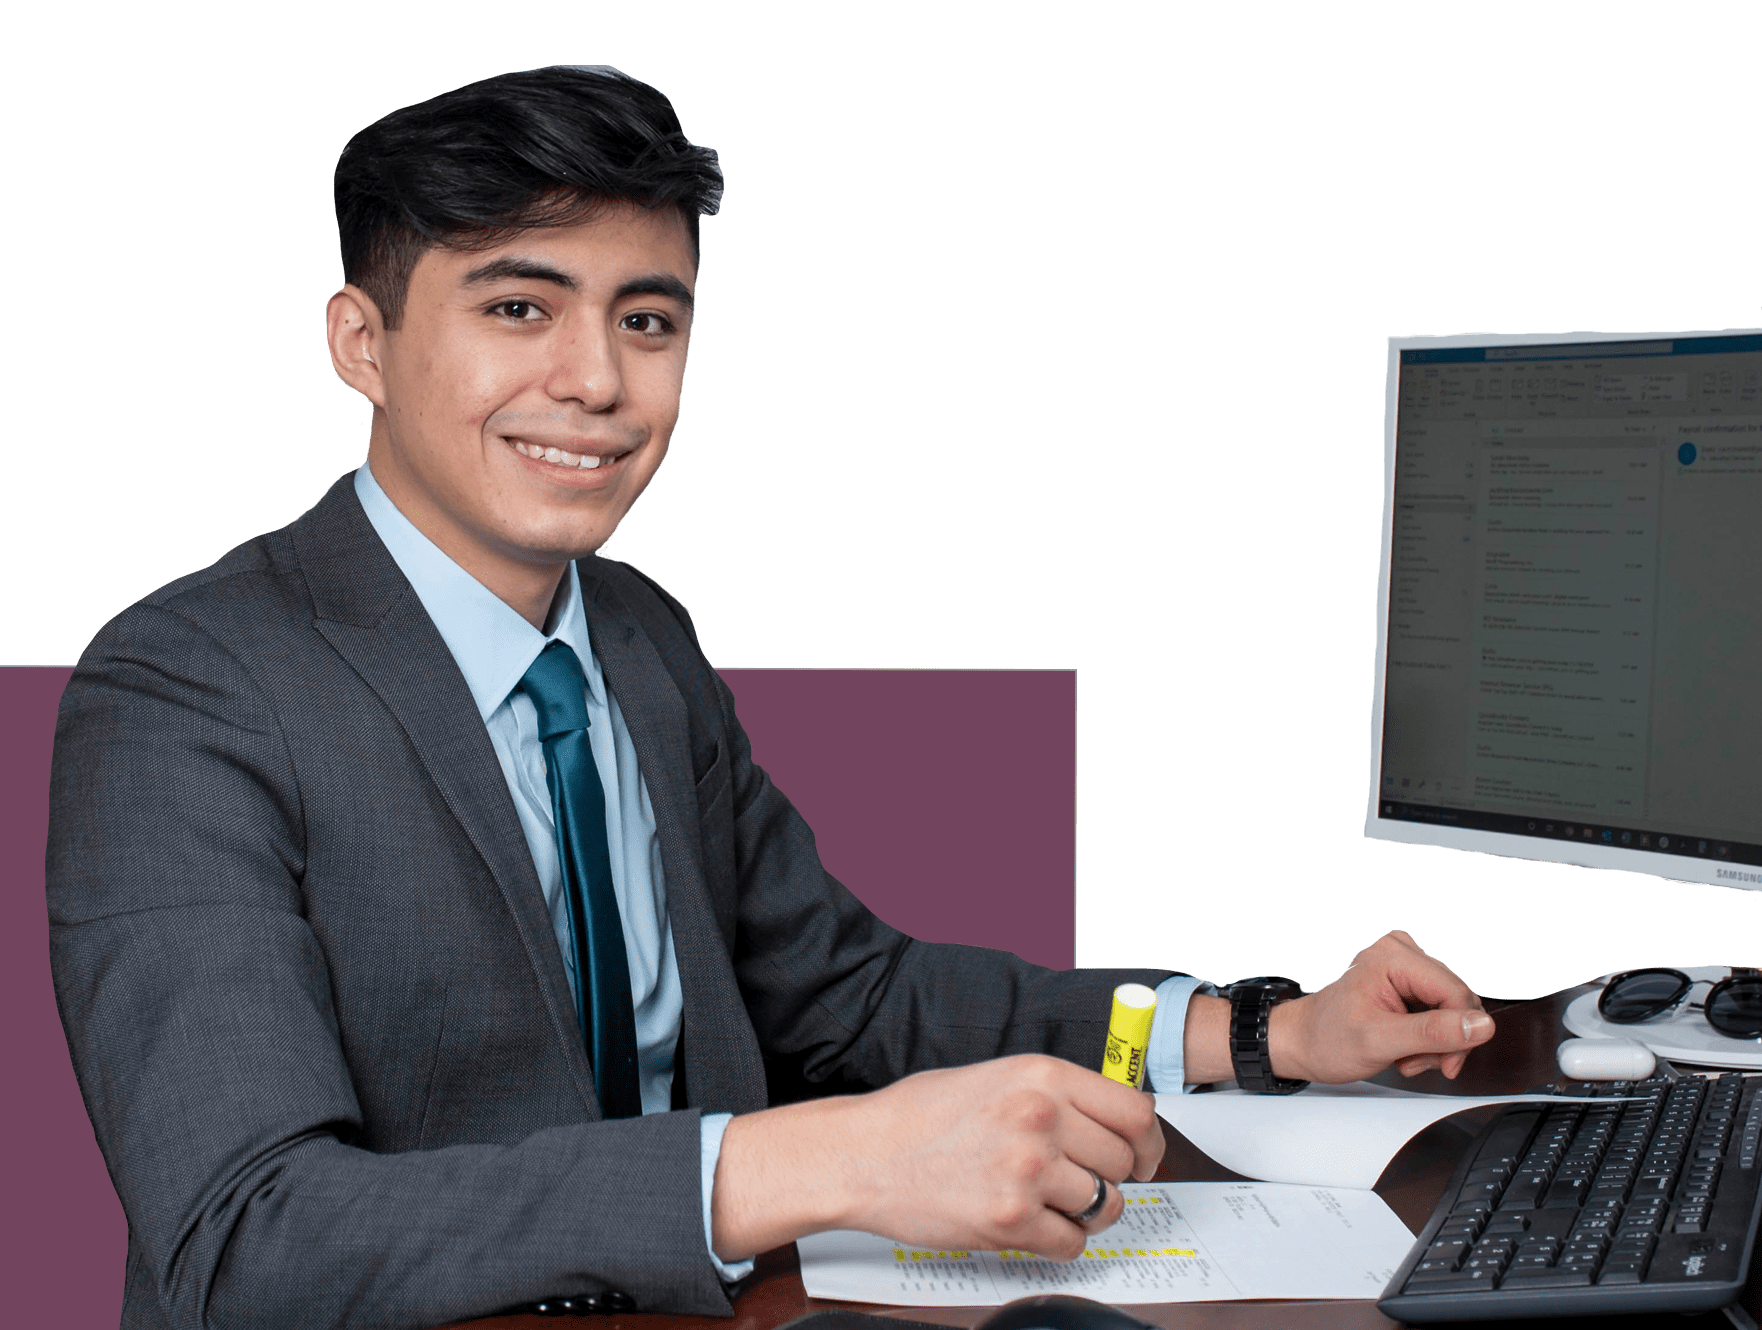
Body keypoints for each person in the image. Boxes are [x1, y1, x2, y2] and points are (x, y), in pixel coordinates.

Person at [47, 66, 1495, 1329]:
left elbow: (854, 999)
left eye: (647, 320)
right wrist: (824, 1160)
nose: (597, 381)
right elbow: (244, 1238)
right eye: (518, 307)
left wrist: (1257, 1035)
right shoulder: (185, 691)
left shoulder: (637, 634)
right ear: (361, 342)